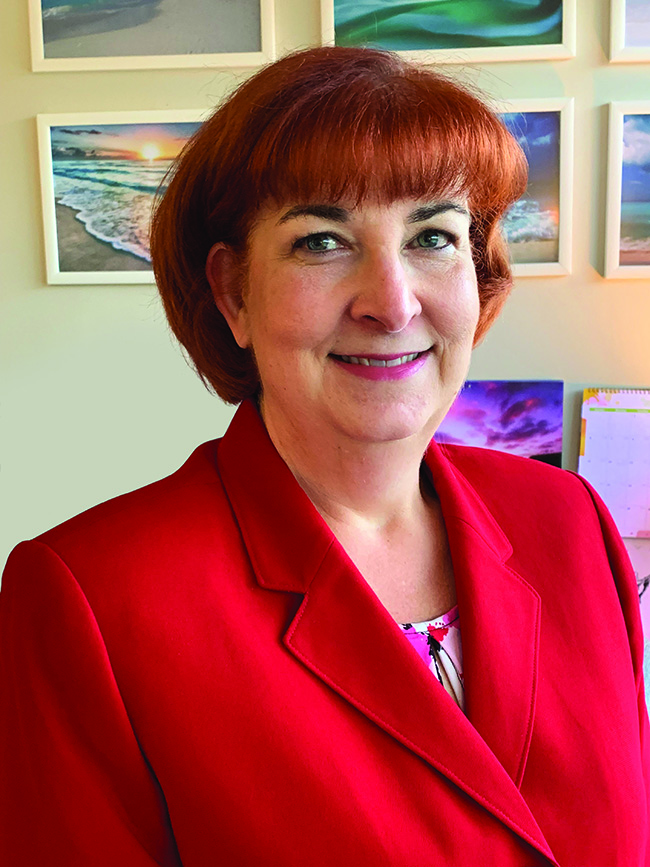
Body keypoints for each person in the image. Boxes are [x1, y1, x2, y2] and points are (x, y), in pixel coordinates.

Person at [1, 46, 648, 867]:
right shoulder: (91, 598)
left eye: (433, 236)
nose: (392, 301)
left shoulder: (570, 518)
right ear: (234, 293)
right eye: (321, 240)